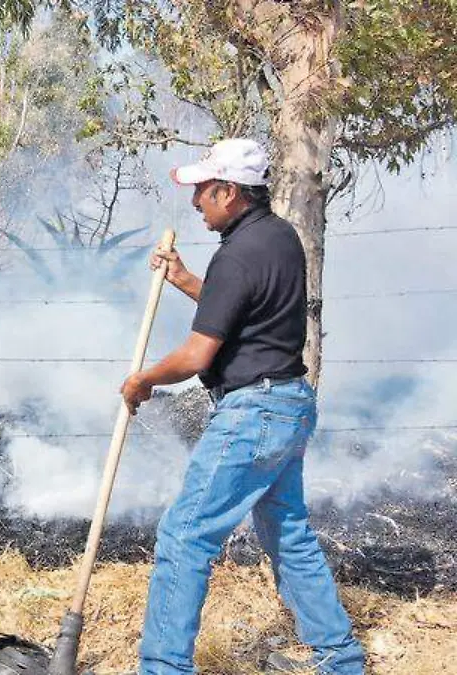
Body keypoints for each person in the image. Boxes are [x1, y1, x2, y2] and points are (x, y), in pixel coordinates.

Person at [119, 139, 365, 674]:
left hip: (252, 411)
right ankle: (342, 661)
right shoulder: (279, 239)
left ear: (229, 191)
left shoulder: (236, 252)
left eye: (203, 191)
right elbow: (241, 312)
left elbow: (197, 353)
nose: (195, 203)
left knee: (185, 536)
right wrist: (185, 279)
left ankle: (162, 668)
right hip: (290, 403)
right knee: (289, 536)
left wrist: (143, 381)